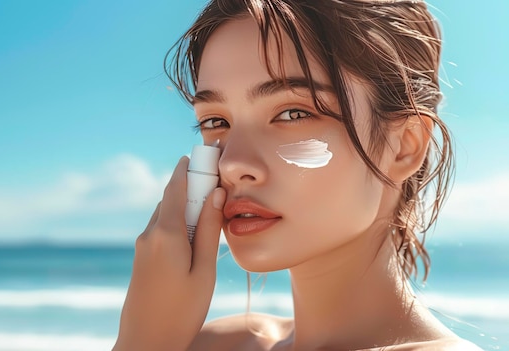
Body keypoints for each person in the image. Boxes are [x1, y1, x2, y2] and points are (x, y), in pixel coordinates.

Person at [113, 0, 481, 350]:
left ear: (405, 146)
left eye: (293, 114)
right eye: (215, 121)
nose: (230, 163)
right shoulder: (219, 343)